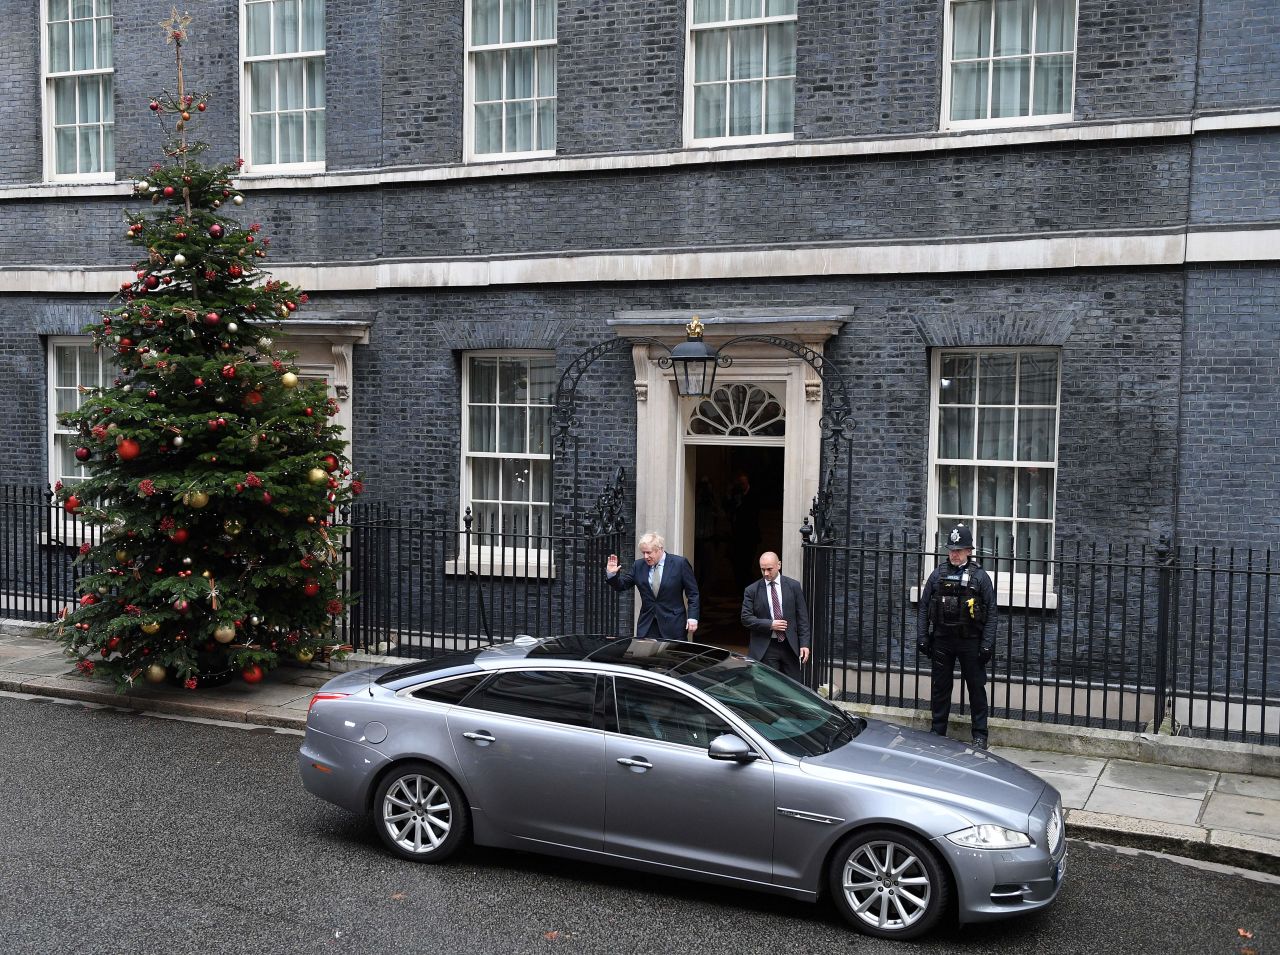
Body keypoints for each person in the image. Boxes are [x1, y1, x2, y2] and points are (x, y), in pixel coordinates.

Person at [916, 523, 998, 749]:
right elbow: (923, 607)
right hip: (942, 639)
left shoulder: (980, 577)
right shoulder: (937, 574)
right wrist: (922, 636)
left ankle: (980, 734)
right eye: (951, 549)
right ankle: (937, 730)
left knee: (976, 687)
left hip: (970, 641)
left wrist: (987, 644)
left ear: (969, 551)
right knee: (940, 687)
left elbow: (991, 612)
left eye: (959, 549)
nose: (954, 553)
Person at [606, 532, 700, 640]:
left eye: (649, 552)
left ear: (660, 549)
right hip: (648, 625)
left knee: (672, 656)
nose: (646, 556)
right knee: (645, 657)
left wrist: (693, 617)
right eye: (643, 553)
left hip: (673, 624)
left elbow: (693, 593)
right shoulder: (638, 565)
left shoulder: (680, 564)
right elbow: (622, 585)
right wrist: (611, 574)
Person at [740, 551, 811, 681]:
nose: (766, 573)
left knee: (793, 687)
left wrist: (804, 644)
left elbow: (802, 617)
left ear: (779, 565)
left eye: (769, 569)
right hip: (766, 646)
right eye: (763, 570)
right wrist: (770, 624)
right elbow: (746, 618)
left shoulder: (793, 586)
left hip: (790, 646)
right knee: (769, 687)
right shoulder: (752, 590)